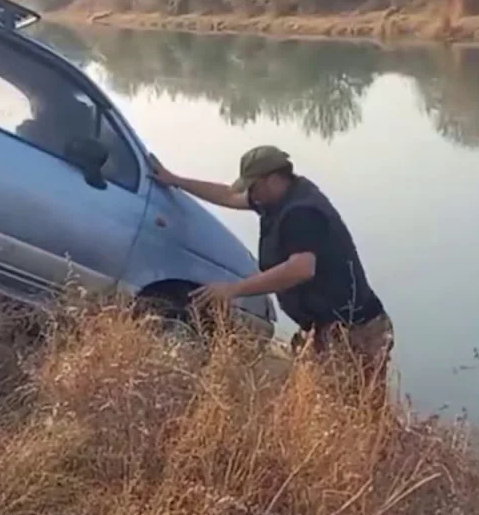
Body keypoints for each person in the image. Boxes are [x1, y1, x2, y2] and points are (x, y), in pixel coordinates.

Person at [150, 145, 393, 391]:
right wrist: (175, 180)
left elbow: (301, 268)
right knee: (311, 402)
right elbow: (228, 196)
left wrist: (234, 289)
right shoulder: (279, 197)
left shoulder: (302, 212)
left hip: (356, 332)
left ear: (274, 179)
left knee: (355, 409)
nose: (251, 195)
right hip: (322, 328)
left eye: (254, 187)